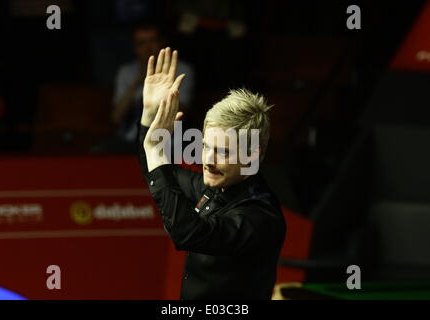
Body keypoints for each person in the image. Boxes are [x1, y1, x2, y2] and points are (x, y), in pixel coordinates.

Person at [137, 47, 286, 299]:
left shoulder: (261, 217)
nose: (207, 160)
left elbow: (188, 233)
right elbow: (155, 168)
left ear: (253, 155)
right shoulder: (215, 184)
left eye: (223, 152)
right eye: (205, 146)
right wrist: (149, 117)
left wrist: (155, 149)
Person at [94, 21, 194, 153]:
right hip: (130, 140)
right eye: (142, 43)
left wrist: (164, 90)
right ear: (135, 48)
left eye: (152, 41)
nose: (148, 48)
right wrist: (138, 81)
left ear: (162, 42)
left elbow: (182, 113)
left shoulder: (182, 70)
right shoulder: (126, 72)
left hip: (169, 140)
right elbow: (116, 117)